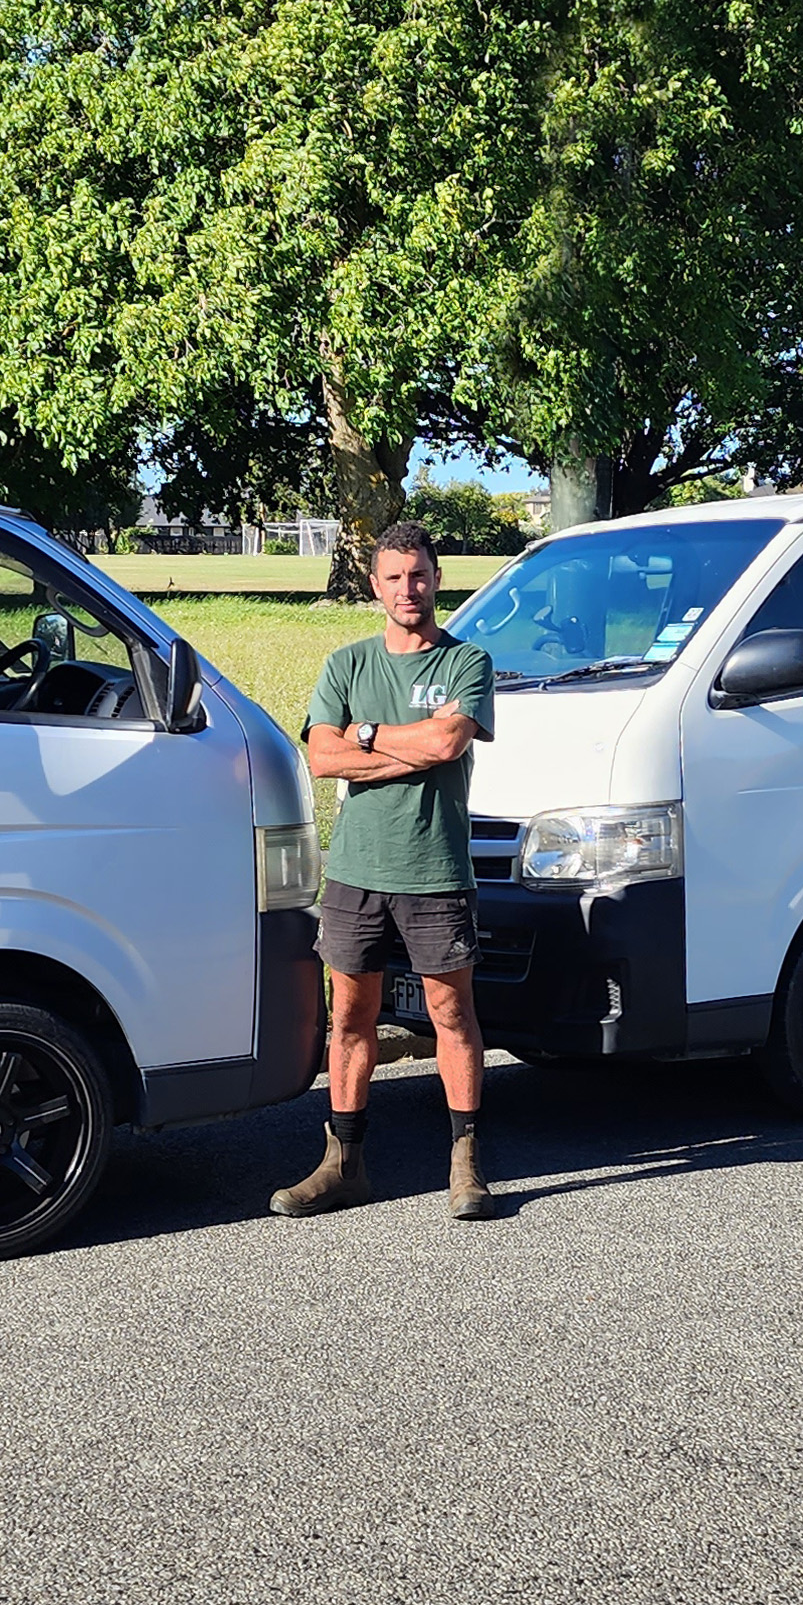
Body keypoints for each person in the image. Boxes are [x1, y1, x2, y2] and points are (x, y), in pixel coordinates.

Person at [275, 517, 499, 1220]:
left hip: (433, 868)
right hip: (356, 869)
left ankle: (465, 1165)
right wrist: (404, 746)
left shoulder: (467, 663)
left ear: (438, 578)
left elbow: (445, 742)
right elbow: (321, 756)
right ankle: (343, 1164)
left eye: (420, 574)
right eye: (395, 577)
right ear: (374, 586)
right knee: (351, 1015)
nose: (409, 588)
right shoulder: (347, 664)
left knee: (451, 1016)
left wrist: (365, 735)